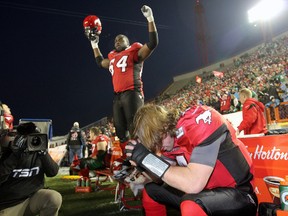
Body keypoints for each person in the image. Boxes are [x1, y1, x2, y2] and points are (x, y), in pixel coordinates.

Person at [125, 104, 258, 216]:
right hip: (205, 193)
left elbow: (194, 184)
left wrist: (148, 159)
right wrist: (142, 165)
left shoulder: (198, 122)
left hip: (240, 195)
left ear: (164, 127)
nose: (159, 149)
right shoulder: (168, 140)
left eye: (157, 141)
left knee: (192, 205)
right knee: (150, 191)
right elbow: (159, 176)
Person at [86, 5, 158, 151]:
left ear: (128, 42)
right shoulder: (112, 56)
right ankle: (129, 159)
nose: (117, 41)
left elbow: (152, 43)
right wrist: (94, 44)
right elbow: (100, 62)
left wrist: (150, 18)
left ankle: (142, 161)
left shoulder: (134, 51)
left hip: (132, 92)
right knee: (120, 131)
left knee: (135, 128)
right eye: (115, 41)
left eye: (120, 39)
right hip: (118, 96)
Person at [0, 122, 62, 216]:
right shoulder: (8, 153)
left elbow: (53, 172)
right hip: (8, 205)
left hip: (31, 200)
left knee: (53, 198)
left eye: (34, 137)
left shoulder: (39, 153)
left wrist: (43, 153)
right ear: (19, 139)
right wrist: (15, 154)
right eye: (27, 138)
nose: (32, 140)